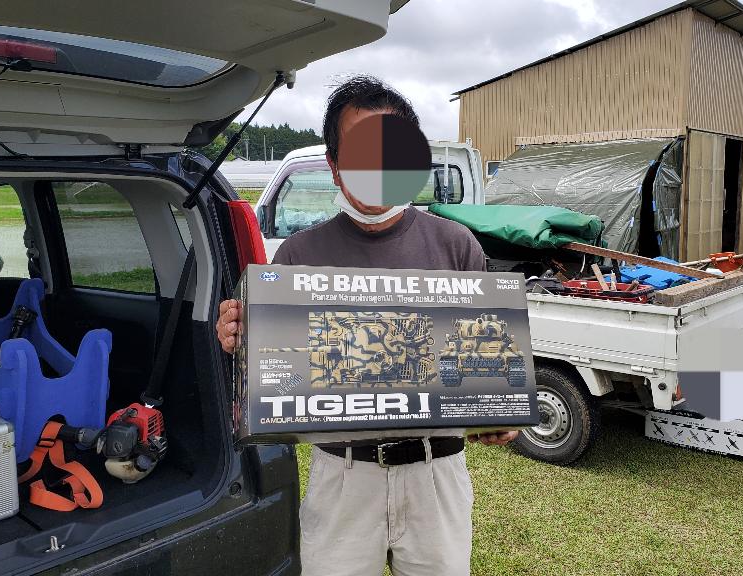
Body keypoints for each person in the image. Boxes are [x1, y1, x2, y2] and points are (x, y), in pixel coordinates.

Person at [215, 75, 518, 576]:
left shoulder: (457, 246)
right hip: (342, 476)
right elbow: (274, 371)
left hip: (436, 474)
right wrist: (241, 342)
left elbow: (487, 366)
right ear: (334, 166)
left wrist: (499, 414)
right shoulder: (296, 256)